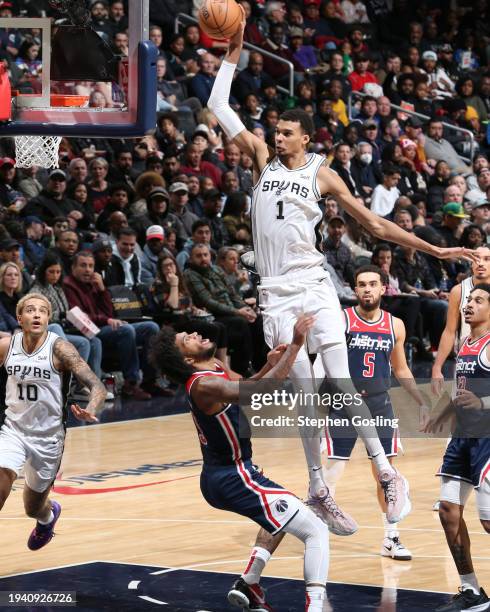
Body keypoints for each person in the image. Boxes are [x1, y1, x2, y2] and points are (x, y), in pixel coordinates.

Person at [207, 8, 475, 532]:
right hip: (274, 293)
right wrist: (234, 45)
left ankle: (383, 469)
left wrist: (434, 250)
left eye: (286, 132)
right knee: (304, 391)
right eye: (276, 131)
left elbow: (374, 224)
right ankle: (318, 488)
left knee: (339, 375)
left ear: (304, 138)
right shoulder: (259, 157)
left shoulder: (322, 175)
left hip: (313, 282)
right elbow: (218, 101)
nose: (276, 136)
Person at [149, 316, 331, 612]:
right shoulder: (203, 385)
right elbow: (260, 393)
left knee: (282, 514)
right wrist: (296, 346)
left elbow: (246, 386)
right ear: (186, 357)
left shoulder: (215, 368)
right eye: (188, 337)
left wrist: (269, 365)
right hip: (230, 476)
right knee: (315, 530)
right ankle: (316, 607)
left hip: (237, 471)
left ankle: (250, 581)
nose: (196, 333)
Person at [323, 266, 429, 561]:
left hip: (380, 405)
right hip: (344, 405)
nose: (367, 289)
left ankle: (391, 539)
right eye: (361, 285)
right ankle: (317, 532)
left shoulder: (395, 325)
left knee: (386, 476)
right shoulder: (341, 320)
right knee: (331, 472)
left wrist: (420, 399)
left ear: (384, 288)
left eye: (372, 284)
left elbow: (401, 368)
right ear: (354, 290)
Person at [0, 293, 106, 552]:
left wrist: (91, 408)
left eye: (42, 311)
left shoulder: (60, 349)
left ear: (48, 318)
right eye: (30, 310)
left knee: (32, 507)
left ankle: (46, 520)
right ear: (19, 318)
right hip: (13, 430)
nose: (36, 314)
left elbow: (97, 385)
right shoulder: (7, 346)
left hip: (48, 438)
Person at [423, 285, 490, 612]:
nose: (469, 305)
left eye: (478, 300)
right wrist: (443, 414)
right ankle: (471, 590)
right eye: (468, 300)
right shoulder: (465, 344)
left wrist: (483, 402)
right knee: (449, 510)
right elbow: (462, 390)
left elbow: (478, 398)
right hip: (462, 437)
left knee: (489, 522)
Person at [432, 246, 490, 395]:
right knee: (461, 408)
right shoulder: (459, 291)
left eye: (486, 259)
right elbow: (449, 331)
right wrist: (437, 367)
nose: (480, 263)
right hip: (467, 360)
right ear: (470, 262)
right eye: (476, 259)